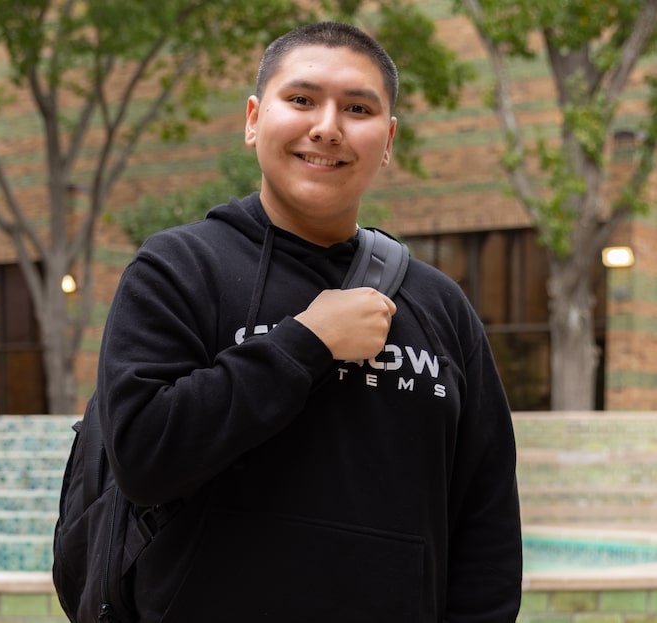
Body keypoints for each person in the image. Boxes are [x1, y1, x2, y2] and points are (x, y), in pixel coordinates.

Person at [96, 21, 522, 622]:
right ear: (253, 118)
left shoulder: (439, 305)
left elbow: (486, 519)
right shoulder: (178, 268)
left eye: (358, 108)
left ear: (389, 138)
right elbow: (144, 456)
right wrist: (305, 343)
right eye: (301, 100)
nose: (327, 126)